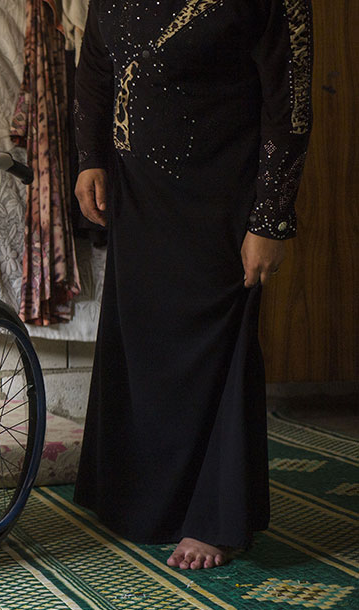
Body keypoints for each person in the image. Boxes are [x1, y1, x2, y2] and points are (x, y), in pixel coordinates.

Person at [71, 0, 312, 570]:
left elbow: (290, 106)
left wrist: (269, 220)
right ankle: (142, 501)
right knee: (143, 342)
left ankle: (213, 519)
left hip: (221, 196)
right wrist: (90, 157)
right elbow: (97, 65)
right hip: (139, 197)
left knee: (214, 349)